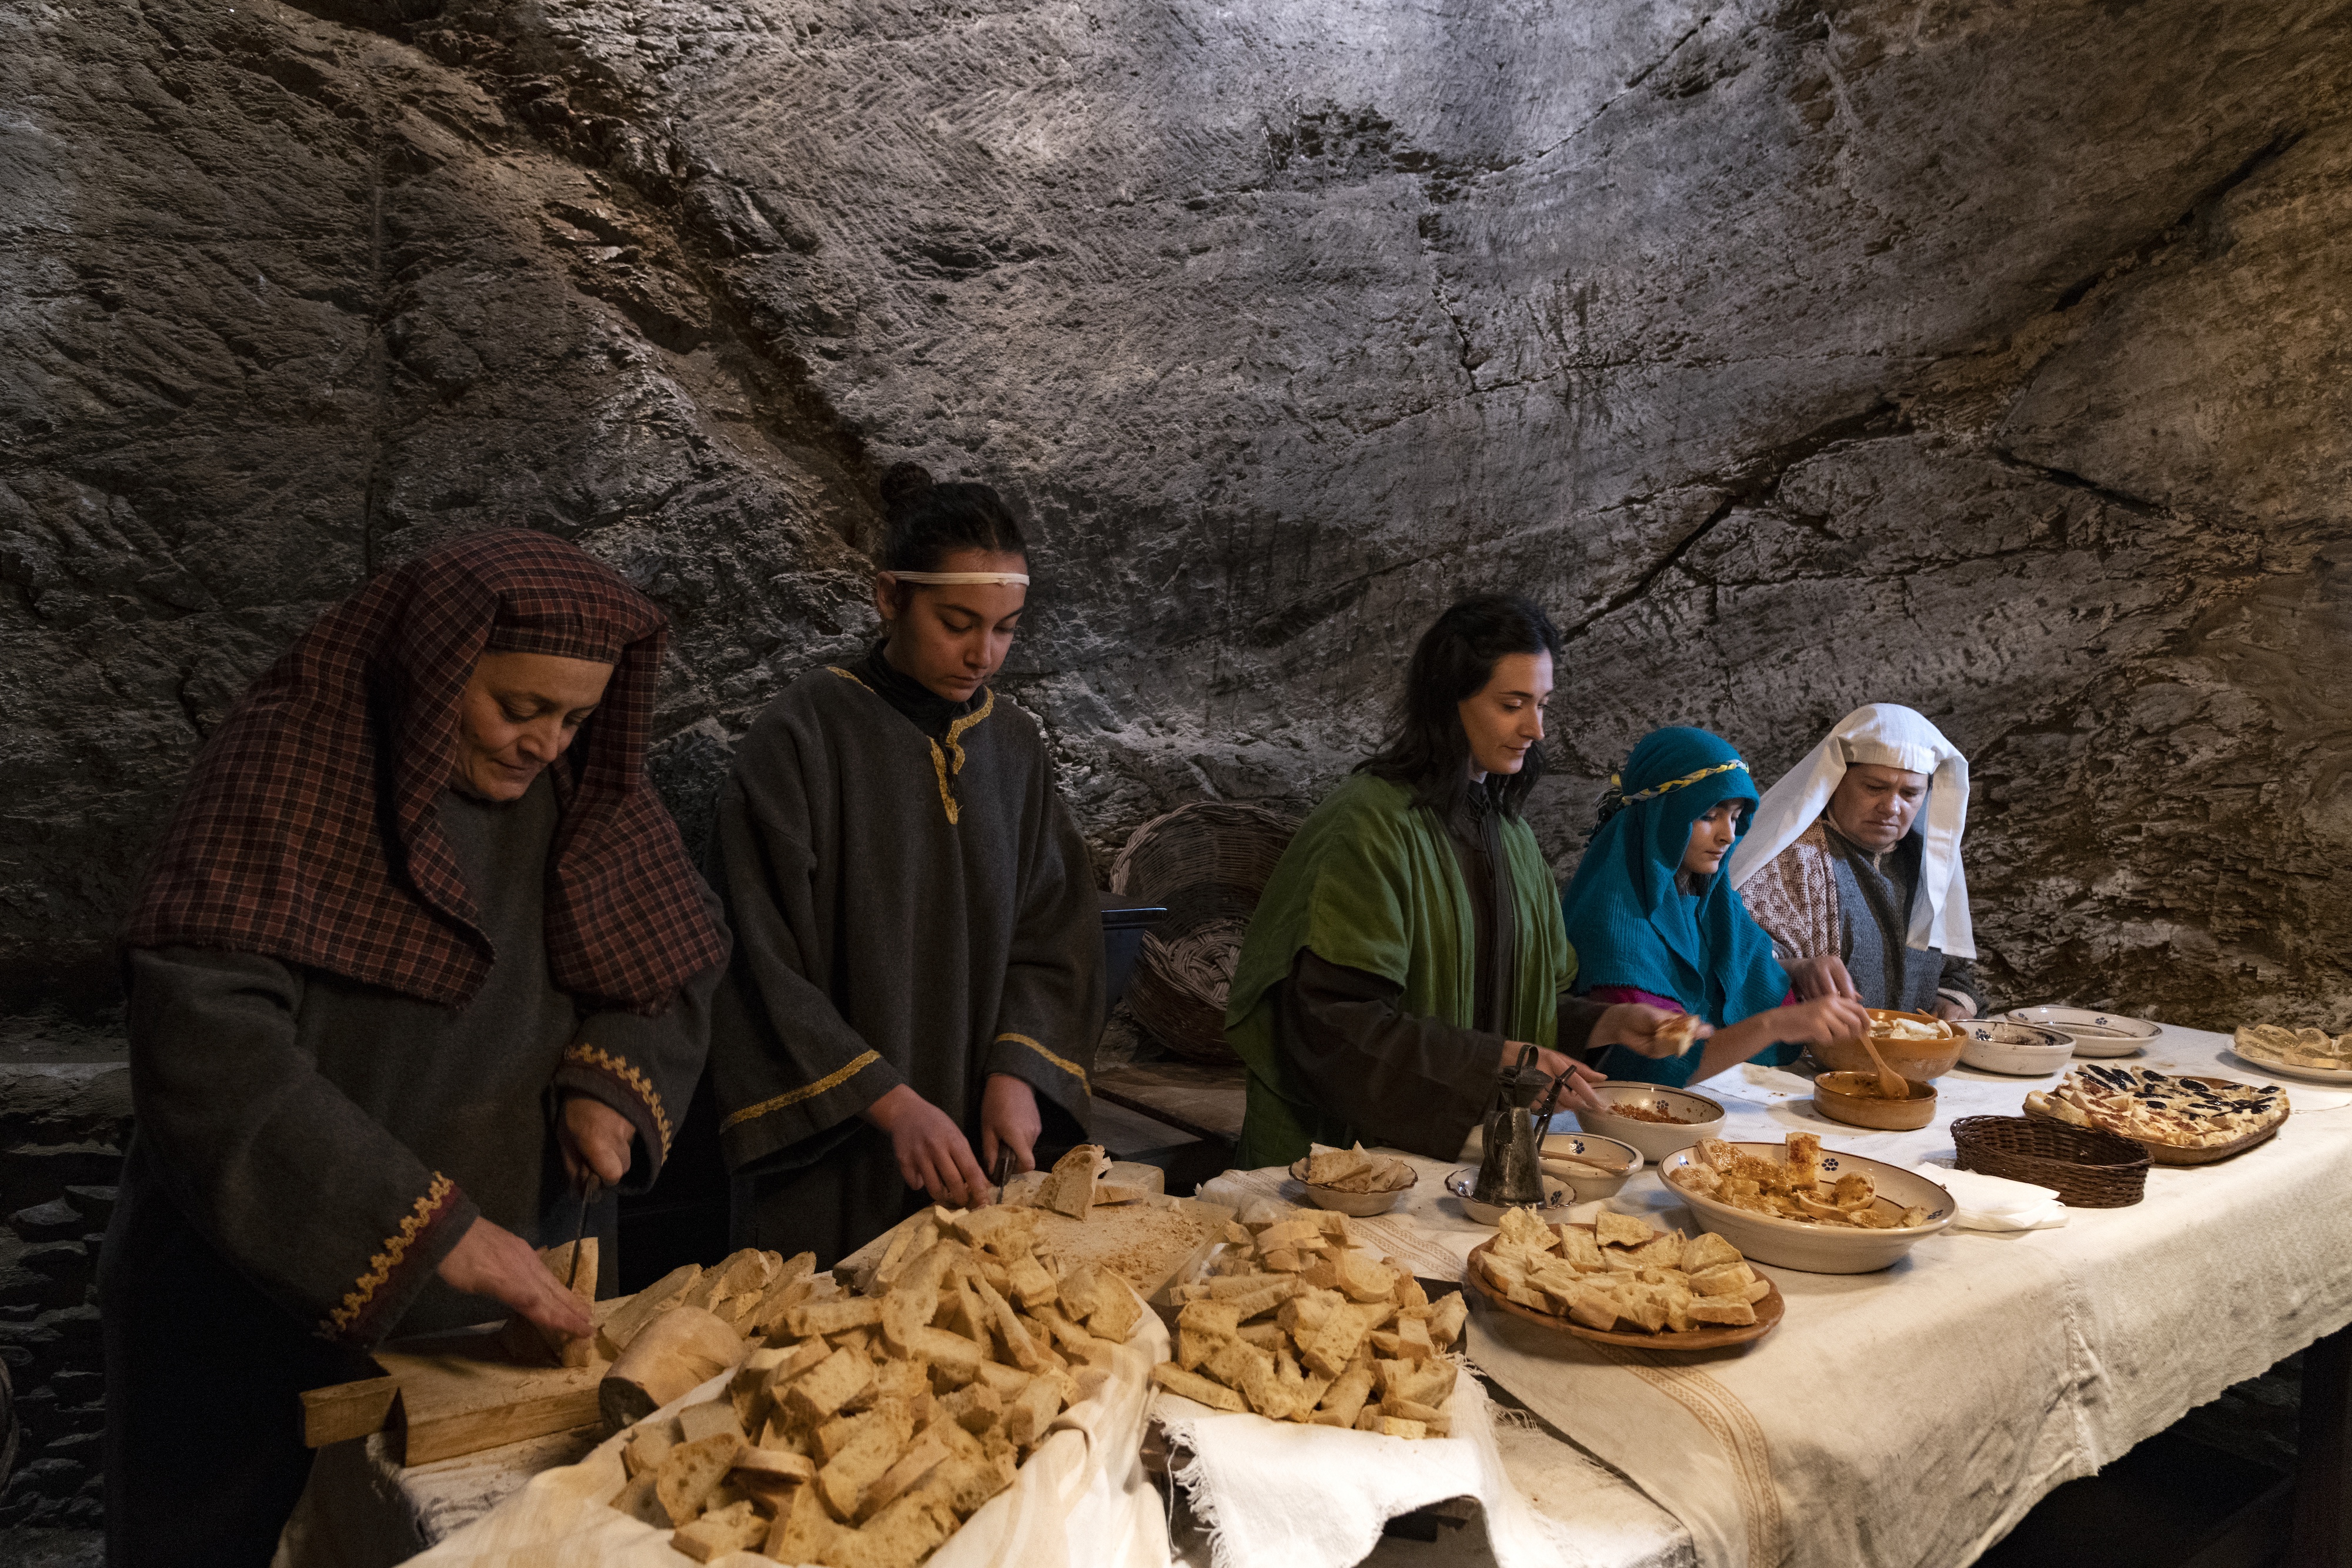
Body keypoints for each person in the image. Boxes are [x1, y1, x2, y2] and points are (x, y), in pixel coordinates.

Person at [105, 530, 730, 1567]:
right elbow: (208, 1049)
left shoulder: (582, 791)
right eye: (518, 707)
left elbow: (671, 956)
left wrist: (613, 1077)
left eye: (574, 717)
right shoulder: (287, 768)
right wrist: (435, 1229)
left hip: (501, 1324)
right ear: (429, 675)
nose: (545, 744)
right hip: (263, 1294)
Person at [709, 463, 1101, 1266]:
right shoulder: (804, 735)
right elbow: (756, 955)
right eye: (958, 621)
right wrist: (886, 1102)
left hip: (980, 1139)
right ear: (891, 597)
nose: (982, 653)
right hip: (837, 1151)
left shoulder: (1015, 746)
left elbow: (1054, 930)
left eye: (1006, 627)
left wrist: (1019, 1070)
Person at [1226, 595, 1694, 1171]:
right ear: (1449, 701)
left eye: (1542, 704)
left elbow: (1516, 1005)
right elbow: (1333, 1026)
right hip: (1341, 1168)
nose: (1535, 728)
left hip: (1469, 1160)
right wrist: (1493, 1063)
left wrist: (1607, 1021)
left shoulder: (1512, 837)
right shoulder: (1367, 826)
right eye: (1512, 704)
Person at [1559, 726, 1870, 1088]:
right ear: (1663, 816)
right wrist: (1776, 1025)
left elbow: (1741, 980)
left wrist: (1800, 970)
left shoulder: (1710, 901)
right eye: (1709, 815)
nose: (1728, 835)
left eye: (1736, 817)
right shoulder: (1616, 919)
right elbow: (1653, 1066)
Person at [1726, 704, 1986, 1020]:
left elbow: (1954, 973)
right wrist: (1795, 969)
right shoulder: (1786, 860)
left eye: (1910, 793)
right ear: (1836, 781)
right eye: (1875, 787)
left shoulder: (1929, 867)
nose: (1892, 807)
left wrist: (1953, 1001)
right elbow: (1735, 960)